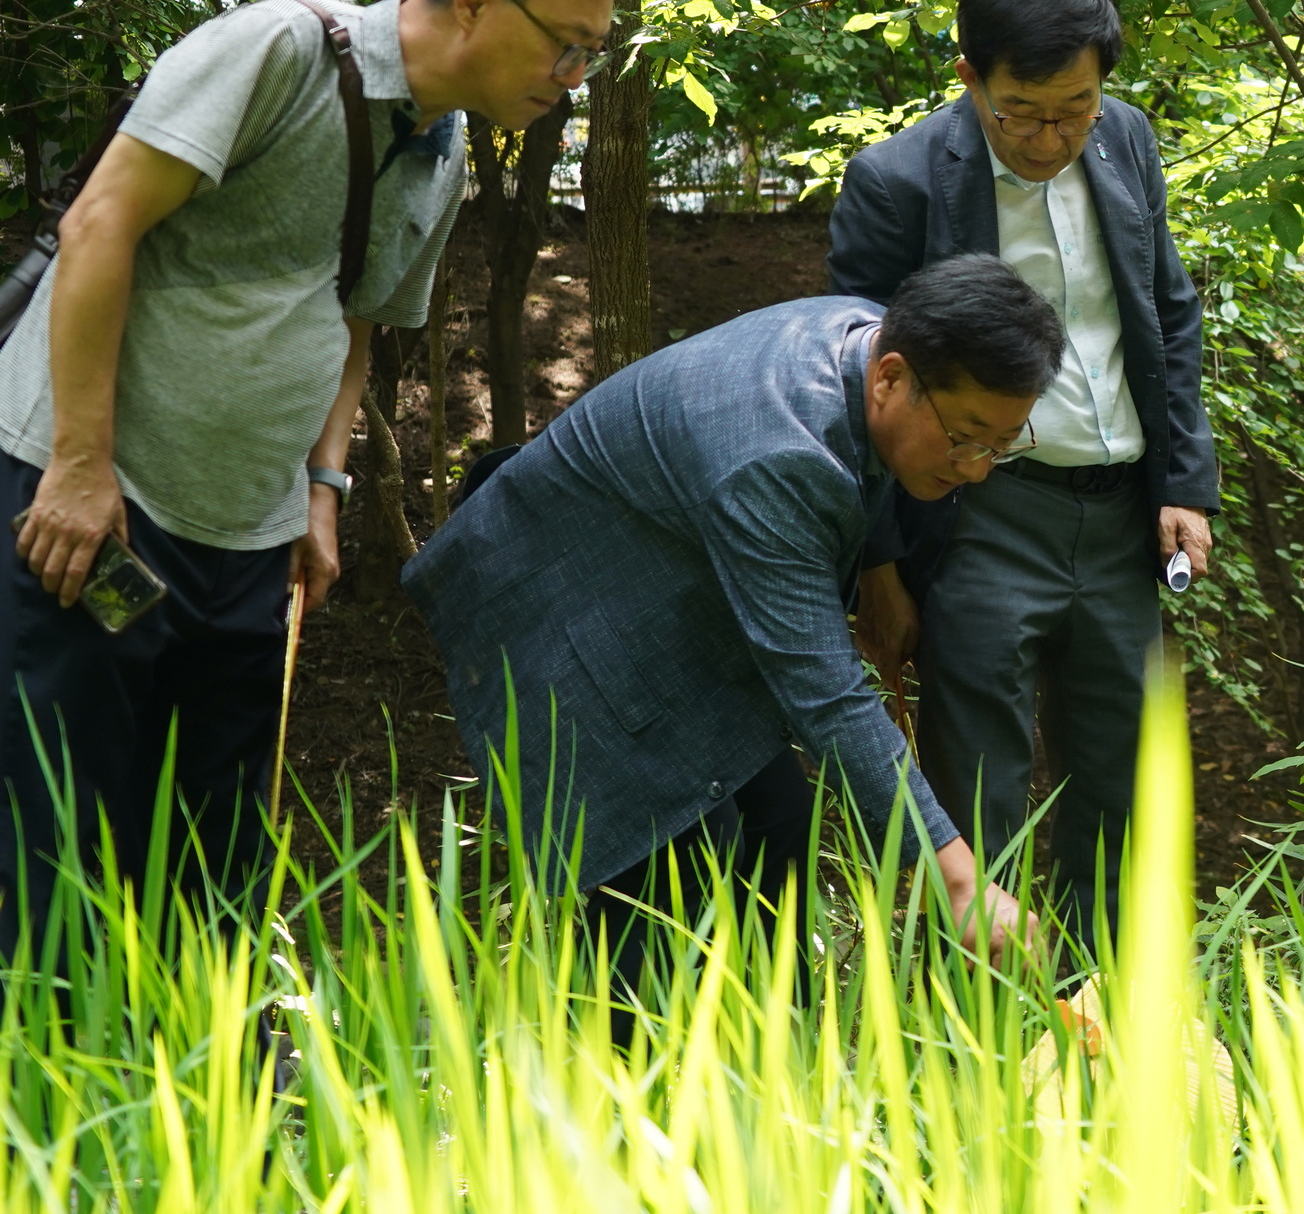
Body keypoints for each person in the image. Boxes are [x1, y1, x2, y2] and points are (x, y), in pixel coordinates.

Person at [0, 0, 630, 949]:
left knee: (214, 841)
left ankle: (204, 1084)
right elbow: (102, 222)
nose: (572, 79)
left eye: (591, 55)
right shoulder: (277, 52)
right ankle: (52, 1096)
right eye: (565, 45)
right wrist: (77, 462)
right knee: (55, 829)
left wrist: (324, 488)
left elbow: (356, 320)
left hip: (248, 533)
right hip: (101, 504)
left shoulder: (443, 145)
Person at [405, 256, 1058, 978]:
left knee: (778, 836)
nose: (975, 468)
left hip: (656, 588)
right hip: (557, 610)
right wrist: (959, 880)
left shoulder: (856, 335)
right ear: (891, 377)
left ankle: (762, 1062)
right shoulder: (776, 454)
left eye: (1001, 444)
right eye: (966, 436)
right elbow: (825, 693)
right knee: (665, 891)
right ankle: (621, 1073)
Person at [828, 0, 1219, 952]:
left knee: (1127, 775)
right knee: (980, 780)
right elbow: (862, 388)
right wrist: (880, 563)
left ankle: (1110, 1018)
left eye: (1075, 108)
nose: (1051, 136)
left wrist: (1183, 481)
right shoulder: (899, 183)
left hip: (1125, 509)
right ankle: (978, 1034)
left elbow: (1167, 315)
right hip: (980, 510)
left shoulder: (1124, 142)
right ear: (969, 76)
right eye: (1023, 111)